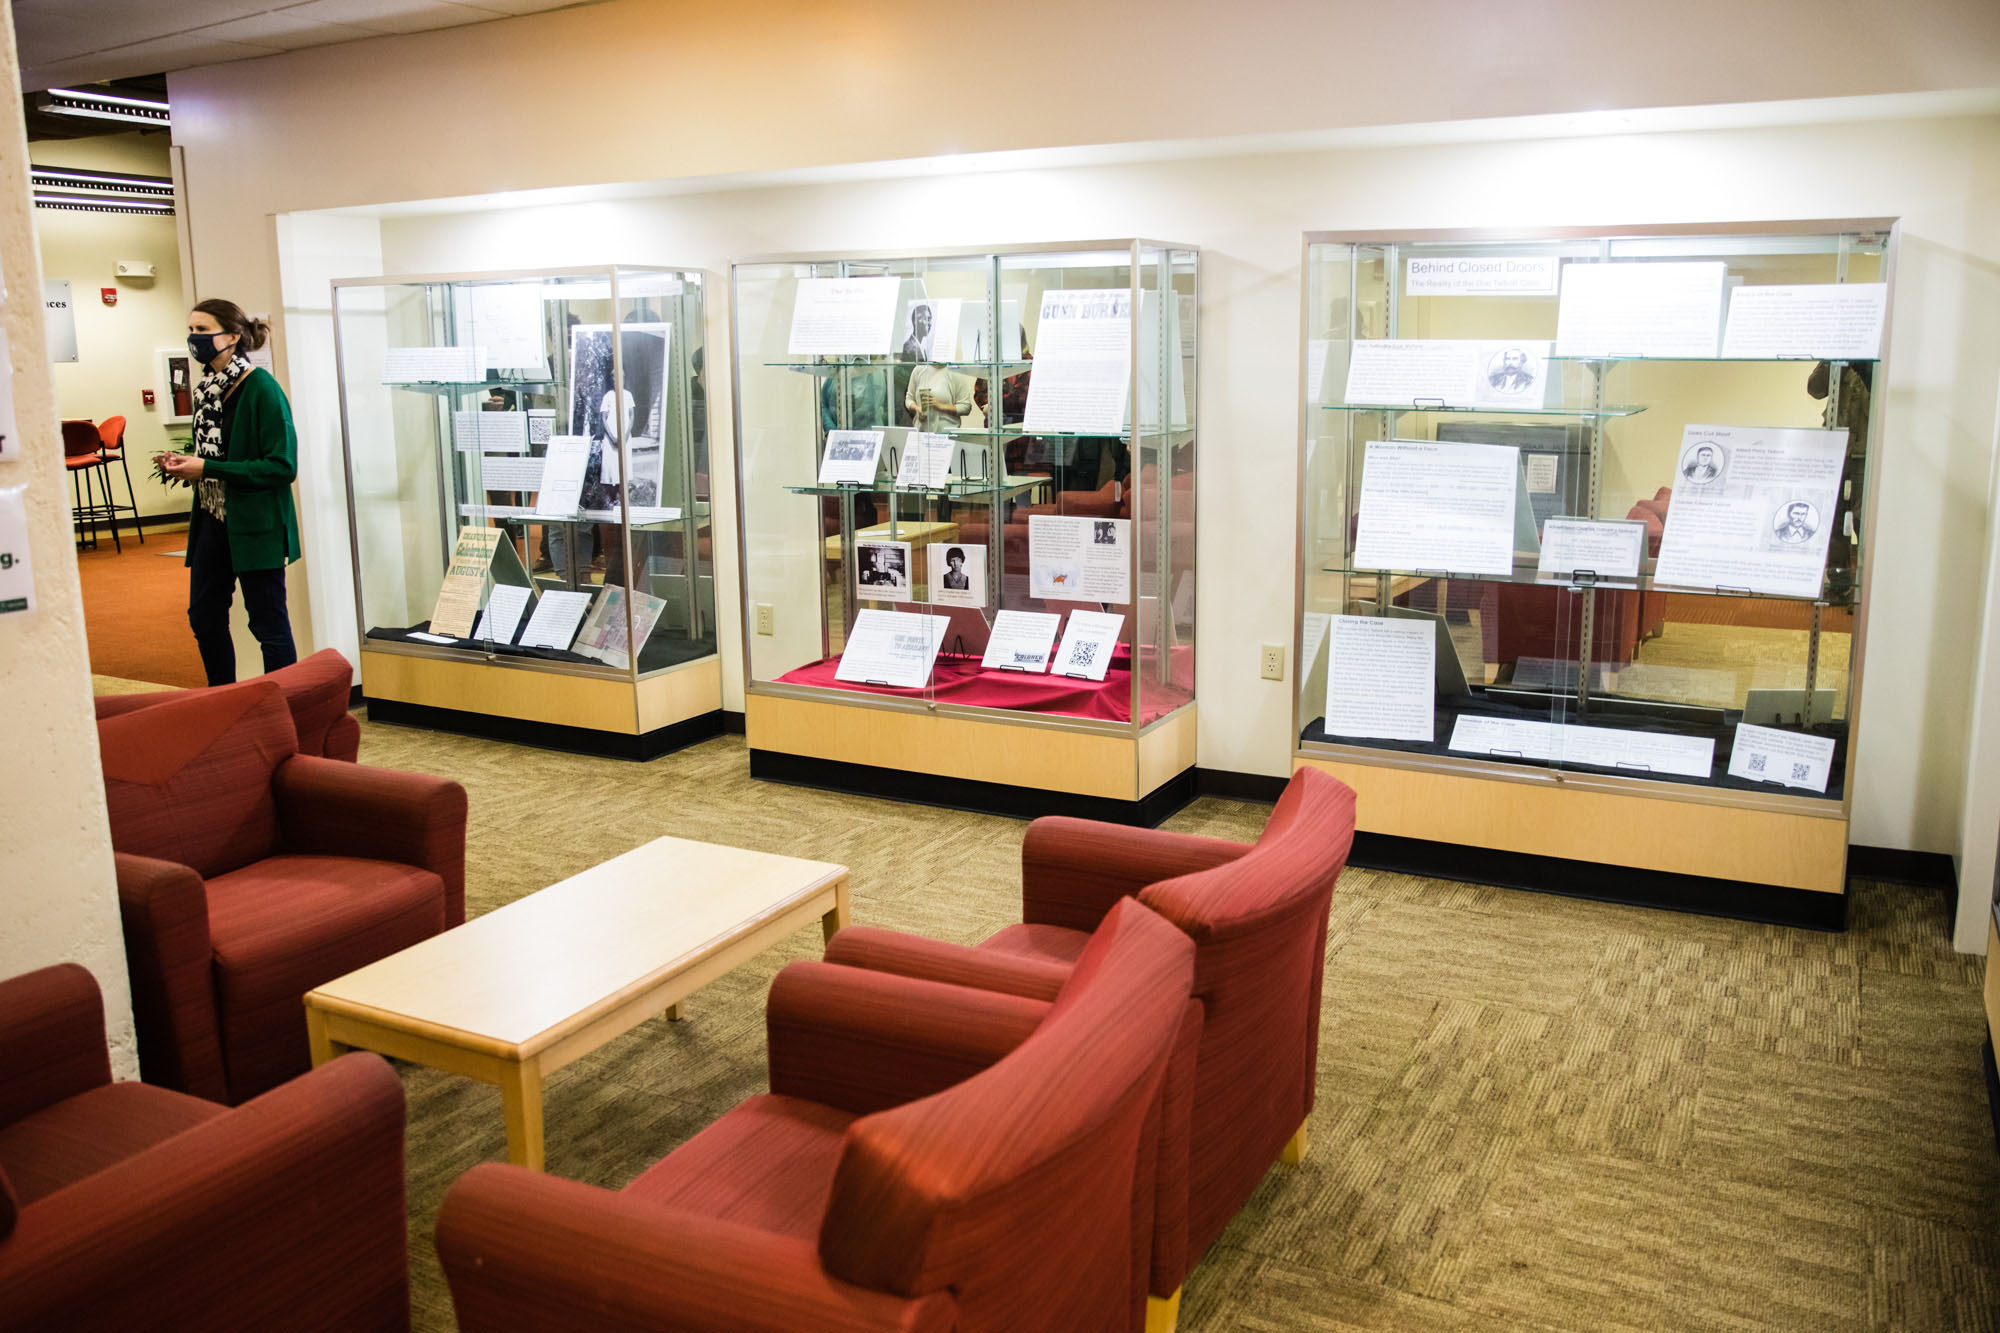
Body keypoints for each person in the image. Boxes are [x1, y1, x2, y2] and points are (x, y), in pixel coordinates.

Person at [158, 299, 300, 686]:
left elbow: (282, 466)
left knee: (268, 623)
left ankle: (287, 709)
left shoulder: (260, 388)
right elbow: (215, 455)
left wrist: (207, 468)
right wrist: (187, 465)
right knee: (203, 617)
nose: (194, 337)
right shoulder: (206, 389)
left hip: (255, 524)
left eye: (203, 330)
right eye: (191, 329)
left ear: (234, 336)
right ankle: (223, 702)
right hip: (212, 519)